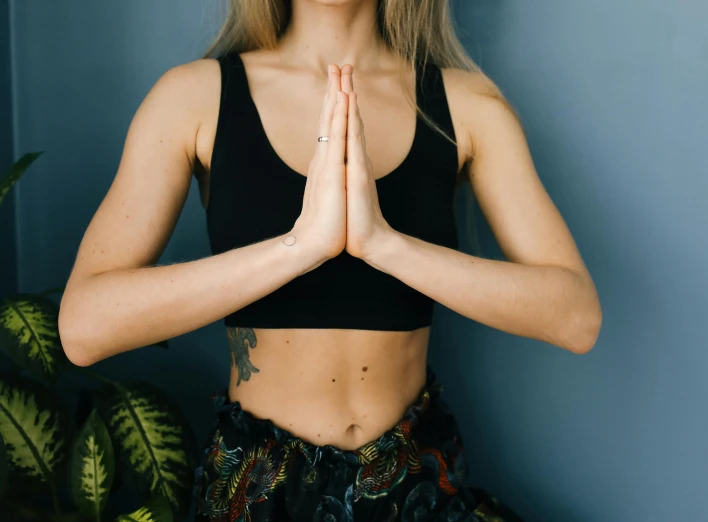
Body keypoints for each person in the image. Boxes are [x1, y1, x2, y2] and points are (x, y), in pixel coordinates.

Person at [58, 0, 602, 520]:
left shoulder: (468, 104)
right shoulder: (192, 98)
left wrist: (384, 244)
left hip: (417, 485)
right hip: (257, 489)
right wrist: (300, 247)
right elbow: (85, 328)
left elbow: (576, 318)